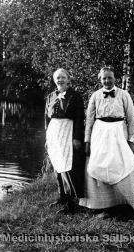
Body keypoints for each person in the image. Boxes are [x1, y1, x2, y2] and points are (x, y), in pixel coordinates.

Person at [79, 66, 134, 211]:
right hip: (100, 132)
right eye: (104, 78)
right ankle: (102, 204)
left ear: (115, 78)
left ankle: (127, 201)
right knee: (98, 164)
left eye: (110, 77)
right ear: (100, 79)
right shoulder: (95, 95)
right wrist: (87, 141)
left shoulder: (124, 94)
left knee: (121, 164)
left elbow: (132, 118)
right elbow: (89, 120)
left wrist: (131, 140)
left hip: (119, 132)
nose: (107, 81)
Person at [45, 68, 85, 214]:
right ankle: (62, 196)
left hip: (68, 132)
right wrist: (47, 137)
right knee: (57, 164)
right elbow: (46, 118)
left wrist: (77, 138)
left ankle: (71, 203)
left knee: (67, 166)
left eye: (63, 77)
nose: (60, 80)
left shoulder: (75, 96)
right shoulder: (50, 96)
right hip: (54, 133)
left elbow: (80, 119)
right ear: (54, 80)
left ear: (68, 79)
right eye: (57, 78)